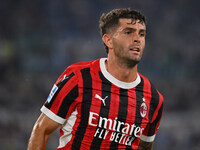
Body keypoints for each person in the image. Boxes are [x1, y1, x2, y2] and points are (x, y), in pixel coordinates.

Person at [28, 8, 164, 150]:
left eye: (142, 34)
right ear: (108, 41)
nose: (137, 38)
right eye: (128, 32)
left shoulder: (154, 98)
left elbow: (144, 146)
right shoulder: (78, 78)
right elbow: (41, 130)